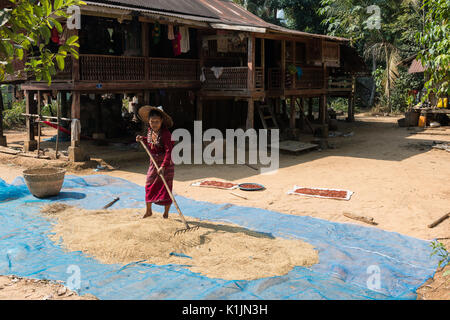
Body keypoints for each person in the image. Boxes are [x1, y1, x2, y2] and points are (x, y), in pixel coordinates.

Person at [136, 106, 174, 219]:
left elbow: (169, 151)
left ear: (161, 121)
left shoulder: (166, 135)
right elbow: (149, 142)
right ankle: (149, 211)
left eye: (157, 122)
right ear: (149, 121)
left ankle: (166, 213)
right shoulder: (149, 131)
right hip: (154, 163)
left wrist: (163, 166)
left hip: (166, 164)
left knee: (166, 187)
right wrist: (141, 138)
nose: (154, 124)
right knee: (149, 184)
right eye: (152, 122)